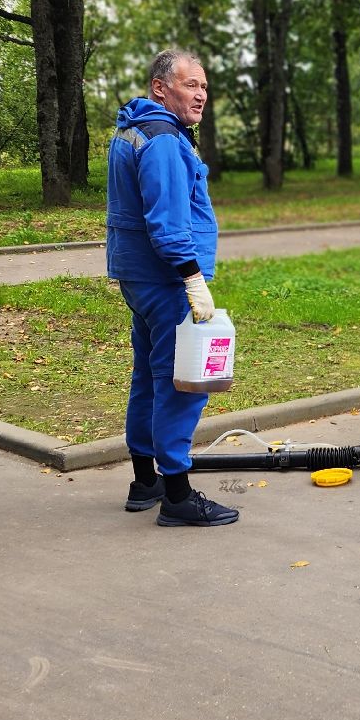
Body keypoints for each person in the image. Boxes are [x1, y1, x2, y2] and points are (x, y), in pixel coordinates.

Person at [107, 48, 237, 526]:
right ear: (160, 87)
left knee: (148, 377)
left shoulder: (136, 130)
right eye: (191, 85)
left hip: (140, 277)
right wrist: (192, 279)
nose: (201, 94)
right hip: (167, 281)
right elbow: (166, 224)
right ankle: (178, 496)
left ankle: (146, 481)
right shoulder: (162, 139)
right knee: (182, 384)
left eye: (204, 86)